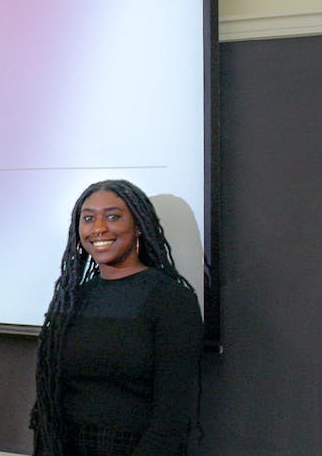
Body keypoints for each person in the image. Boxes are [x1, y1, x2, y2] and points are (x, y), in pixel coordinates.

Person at [31, 179, 203, 455]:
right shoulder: (72, 298)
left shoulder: (170, 298)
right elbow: (51, 400)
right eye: (88, 218)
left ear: (138, 227)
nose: (99, 228)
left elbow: (173, 414)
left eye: (113, 216)